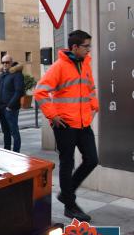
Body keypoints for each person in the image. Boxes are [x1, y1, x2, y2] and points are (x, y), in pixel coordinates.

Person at [34, 30, 99, 222]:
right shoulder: (59, 67)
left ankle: (65, 193)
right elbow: (40, 92)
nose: (89, 50)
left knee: (92, 160)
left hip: (83, 122)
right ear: (75, 47)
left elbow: (90, 88)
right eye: (86, 46)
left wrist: (94, 106)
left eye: (89, 46)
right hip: (64, 124)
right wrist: (52, 116)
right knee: (67, 162)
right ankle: (70, 206)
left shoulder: (85, 64)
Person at [0, 55, 24, 152]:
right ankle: (7, 151)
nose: (5, 64)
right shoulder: (2, 75)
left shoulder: (17, 74)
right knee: (6, 132)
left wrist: (10, 106)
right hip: (1, 108)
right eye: (3, 62)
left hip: (10, 108)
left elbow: (19, 91)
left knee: (14, 132)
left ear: (11, 63)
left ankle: (16, 153)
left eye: (7, 62)